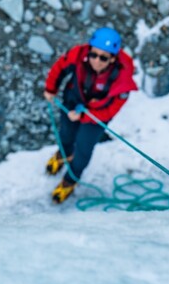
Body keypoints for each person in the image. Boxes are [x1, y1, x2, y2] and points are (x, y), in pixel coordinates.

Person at [43, 27, 138, 203]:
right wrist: (51, 88)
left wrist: (85, 117)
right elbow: (60, 67)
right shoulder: (78, 55)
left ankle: (70, 181)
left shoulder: (122, 80)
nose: (96, 61)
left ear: (113, 58)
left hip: (96, 116)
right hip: (73, 101)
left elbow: (111, 109)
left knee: (83, 150)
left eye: (103, 57)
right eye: (94, 55)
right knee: (66, 135)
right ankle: (64, 154)